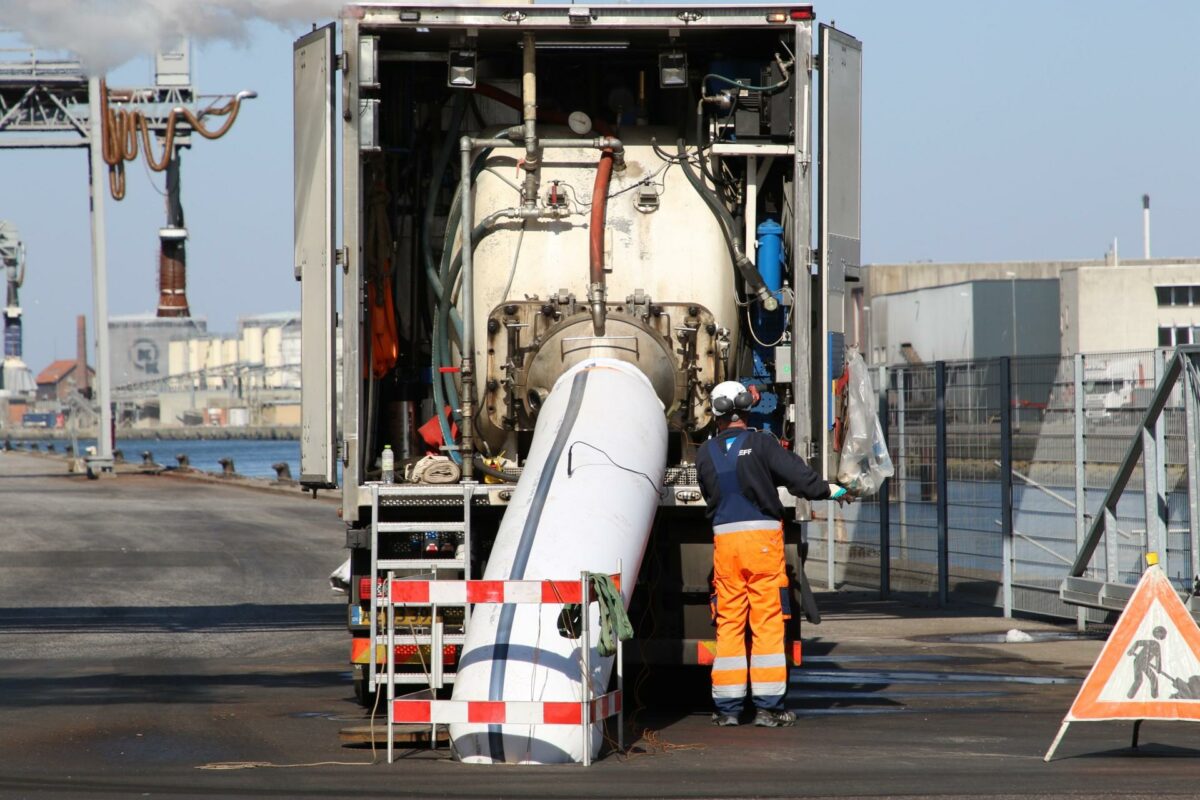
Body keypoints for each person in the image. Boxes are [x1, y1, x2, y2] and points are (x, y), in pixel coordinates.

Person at [696, 380, 849, 727]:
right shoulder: (761, 444)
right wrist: (834, 491)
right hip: (761, 544)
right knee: (765, 622)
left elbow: (709, 494)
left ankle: (728, 710)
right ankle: (767, 708)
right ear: (745, 410)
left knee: (729, 624)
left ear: (716, 413)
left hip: (726, 547)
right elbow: (800, 478)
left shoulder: (705, 454)